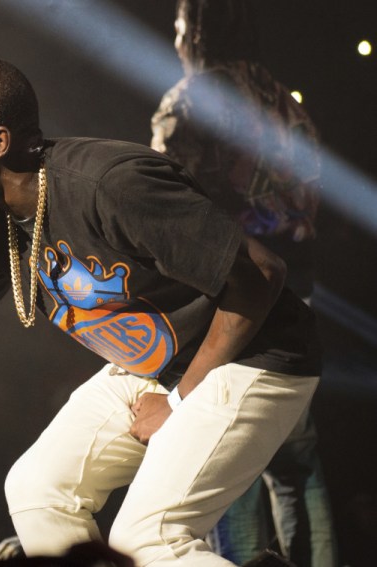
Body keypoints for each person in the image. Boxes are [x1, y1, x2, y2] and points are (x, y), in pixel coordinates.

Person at [0, 57, 320, 566]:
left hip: (254, 354)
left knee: (149, 538)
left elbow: (261, 275)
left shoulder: (108, 184)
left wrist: (181, 402)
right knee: (37, 488)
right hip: (158, 365)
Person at [150, 1, 336, 565]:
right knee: (295, 459)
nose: (176, 38)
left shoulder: (192, 97)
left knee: (228, 450)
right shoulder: (278, 94)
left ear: (198, 31)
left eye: (180, 27)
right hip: (296, 283)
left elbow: (162, 199)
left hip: (234, 289)